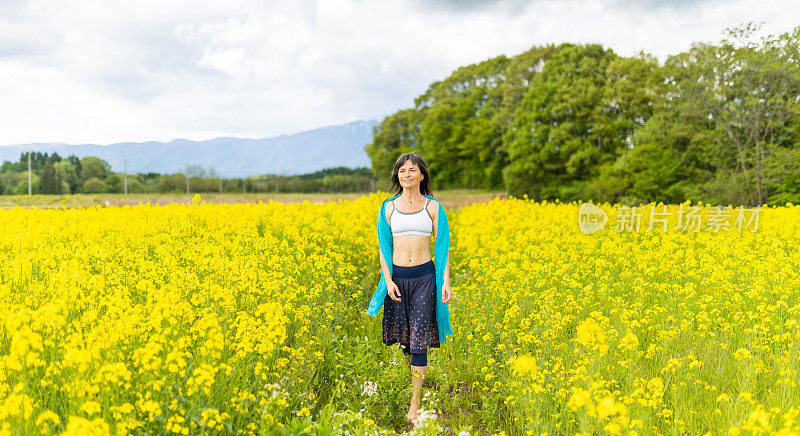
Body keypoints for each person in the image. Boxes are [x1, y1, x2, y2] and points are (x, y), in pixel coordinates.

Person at [366, 152, 454, 422]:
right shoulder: (388, 208)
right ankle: (418, 379)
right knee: (406, 340)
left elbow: (442, 248)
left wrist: (446, 281)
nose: (407, 175)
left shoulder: (433, 207)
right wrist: (388, 280)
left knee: (418, 342)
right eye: (402, 171)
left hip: (426, 278)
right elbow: (384, 249)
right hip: (398, 280)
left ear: (422, 175)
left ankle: (414, 404)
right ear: (397, 176)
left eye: (412, 170)